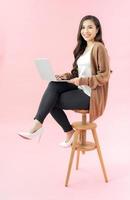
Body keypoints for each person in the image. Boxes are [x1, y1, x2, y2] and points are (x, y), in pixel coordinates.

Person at [18, 15, 112, 147]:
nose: (86, 30)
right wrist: (65, 77)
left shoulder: (98, 48)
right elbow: (76, 73)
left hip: (91, 95)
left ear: (97, 30)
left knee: (50, 101)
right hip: (81, 88)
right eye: (83, 27)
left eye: (90, 27)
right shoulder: (83, 49)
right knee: (53, 85)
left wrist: (81, 80)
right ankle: (40, 125)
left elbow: (104, 76)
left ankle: (61, 131)